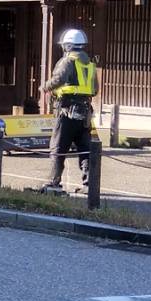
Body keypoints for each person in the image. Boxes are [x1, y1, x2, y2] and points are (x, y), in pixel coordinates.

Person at [39, 27, 98, 193]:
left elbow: (58, 79)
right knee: (85, 149)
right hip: (85, 112)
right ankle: (90, 185)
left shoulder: (67, 61)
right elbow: (95, 89)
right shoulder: (90, 64)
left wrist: (44, 87)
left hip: (66, 111)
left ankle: (53, 182)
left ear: (68, 46)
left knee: (58, 147)